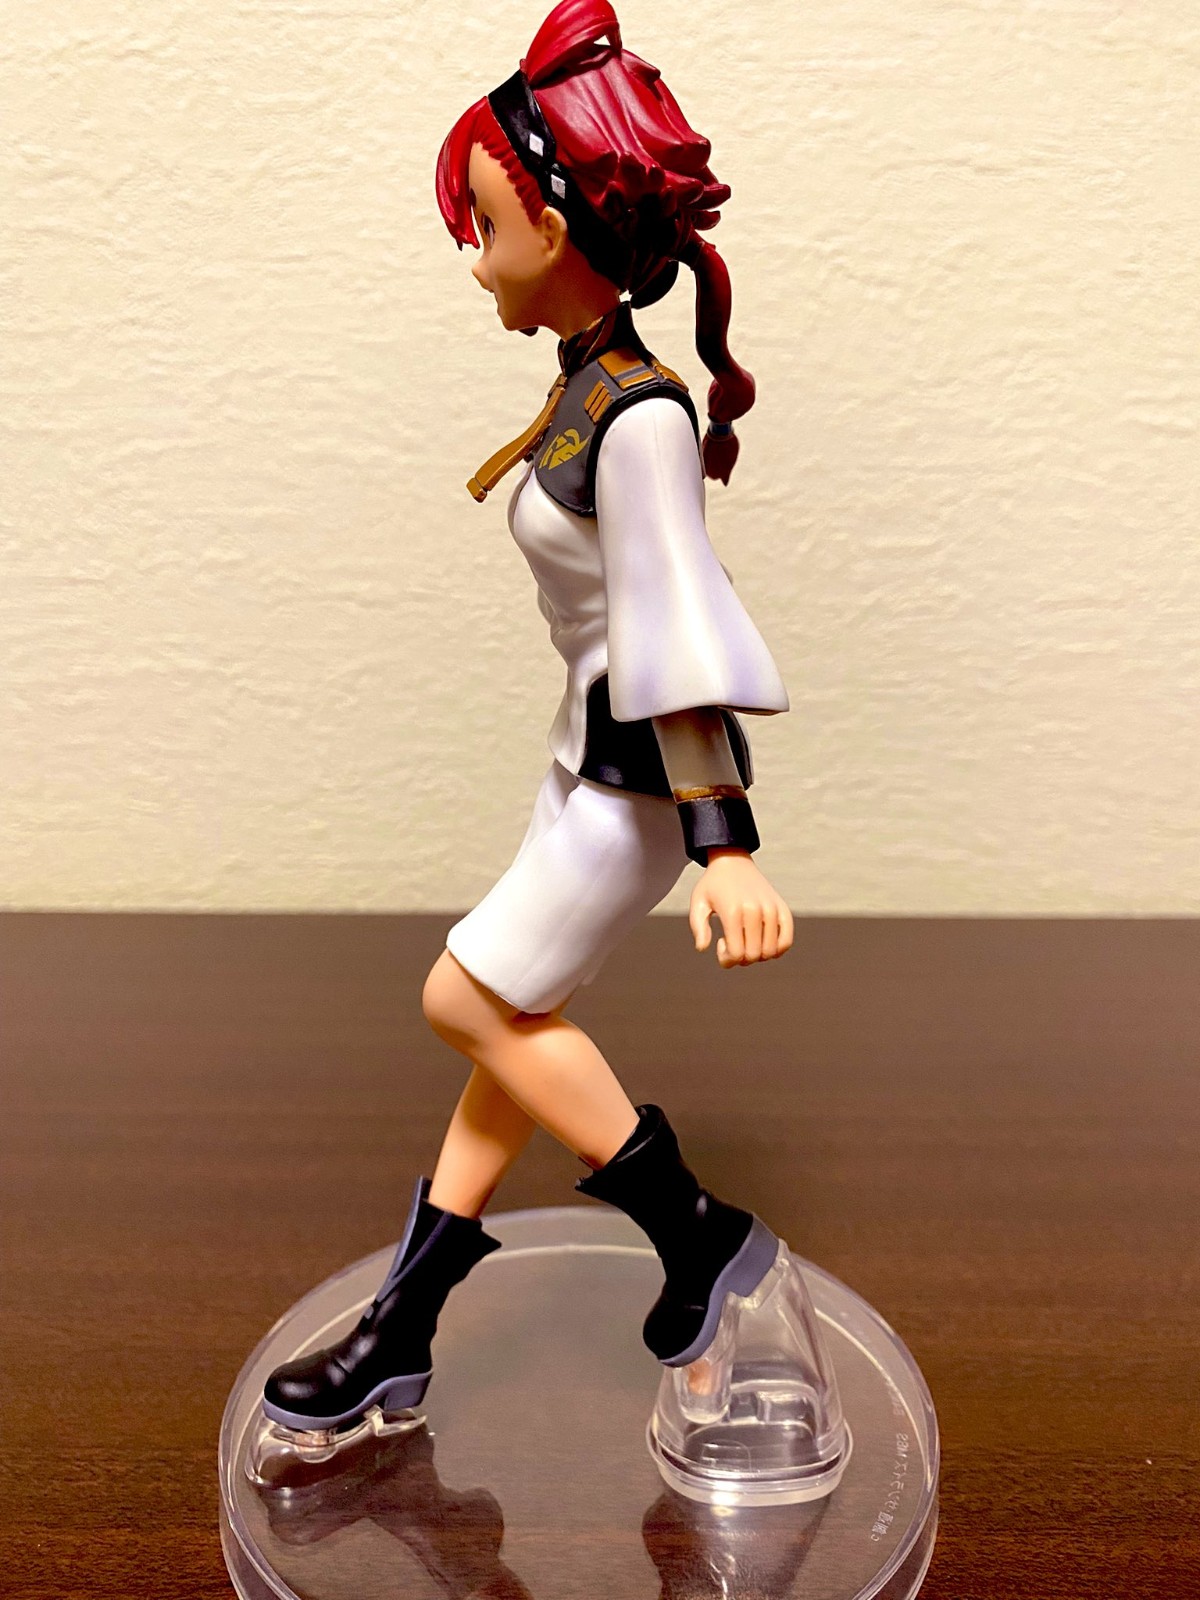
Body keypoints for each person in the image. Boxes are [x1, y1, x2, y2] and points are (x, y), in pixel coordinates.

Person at [261, 0, 794, 1440]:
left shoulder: (640, 421)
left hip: (636, 793)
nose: (474, 255)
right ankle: (405, 1329)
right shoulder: (585, 391)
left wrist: (724, 843)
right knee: (513, 1021)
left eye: (486, 225)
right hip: (583, 768)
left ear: (556, 229)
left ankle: (693, 1233)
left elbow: (679, 624)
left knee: (462, 1000)